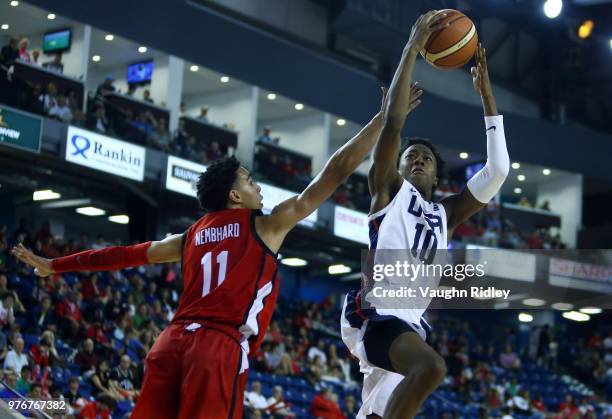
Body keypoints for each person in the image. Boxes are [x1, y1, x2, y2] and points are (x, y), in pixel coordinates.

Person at [12, 86, 389, 418]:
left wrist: (54, 265)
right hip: (215, 347)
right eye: (250, 181)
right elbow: (333, 173)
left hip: (169, 343)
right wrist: (380, 122)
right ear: (234, 195)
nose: (258, 188)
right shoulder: (267, 225)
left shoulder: (192, 235)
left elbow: (121, 254)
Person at [340, 11, 510, 419]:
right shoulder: (388, 192)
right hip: (376, 311)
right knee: (432, 367)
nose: (417, 159)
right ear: (397, 168)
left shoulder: (445, 213)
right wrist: (412, 49)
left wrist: (488, 100)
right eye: (410, 157)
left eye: (426, 158)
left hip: (411, 324)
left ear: (436, 172)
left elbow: (498, 171)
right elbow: (394, 123)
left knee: (378, 411)